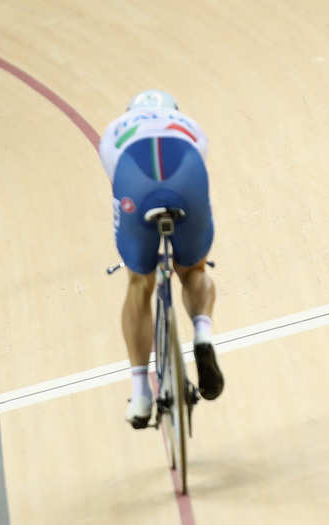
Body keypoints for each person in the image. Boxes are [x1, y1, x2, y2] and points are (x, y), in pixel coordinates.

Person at [98, 90, 224, 429]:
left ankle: (140, 395)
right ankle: (202, 335)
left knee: (140, 281)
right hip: (187, 177)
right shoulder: (190, 125)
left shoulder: (115, 129)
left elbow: (117, 183)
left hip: (135, 186)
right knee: (194, 268)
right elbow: (199, 168)